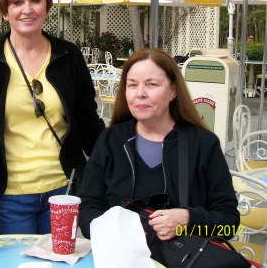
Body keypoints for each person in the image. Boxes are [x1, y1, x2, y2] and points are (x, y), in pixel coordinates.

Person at [0, 0, 105, 235]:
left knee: (65, 263)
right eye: (17, 2)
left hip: (65, 190)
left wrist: (115, 164)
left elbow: (88, 121)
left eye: (35, 0)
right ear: (5, 11)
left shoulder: (68, 55)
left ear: (47, 7)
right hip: (9, 195)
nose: (27, 9)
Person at [78, 48, 239, 243]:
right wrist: (113, 228)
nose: (140, 94)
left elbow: (229, 223)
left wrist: (189, 220)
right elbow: (87, 208)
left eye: (151, 84)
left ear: (173, 91)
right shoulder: (111, 141)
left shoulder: (203, 144)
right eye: (132, 85)